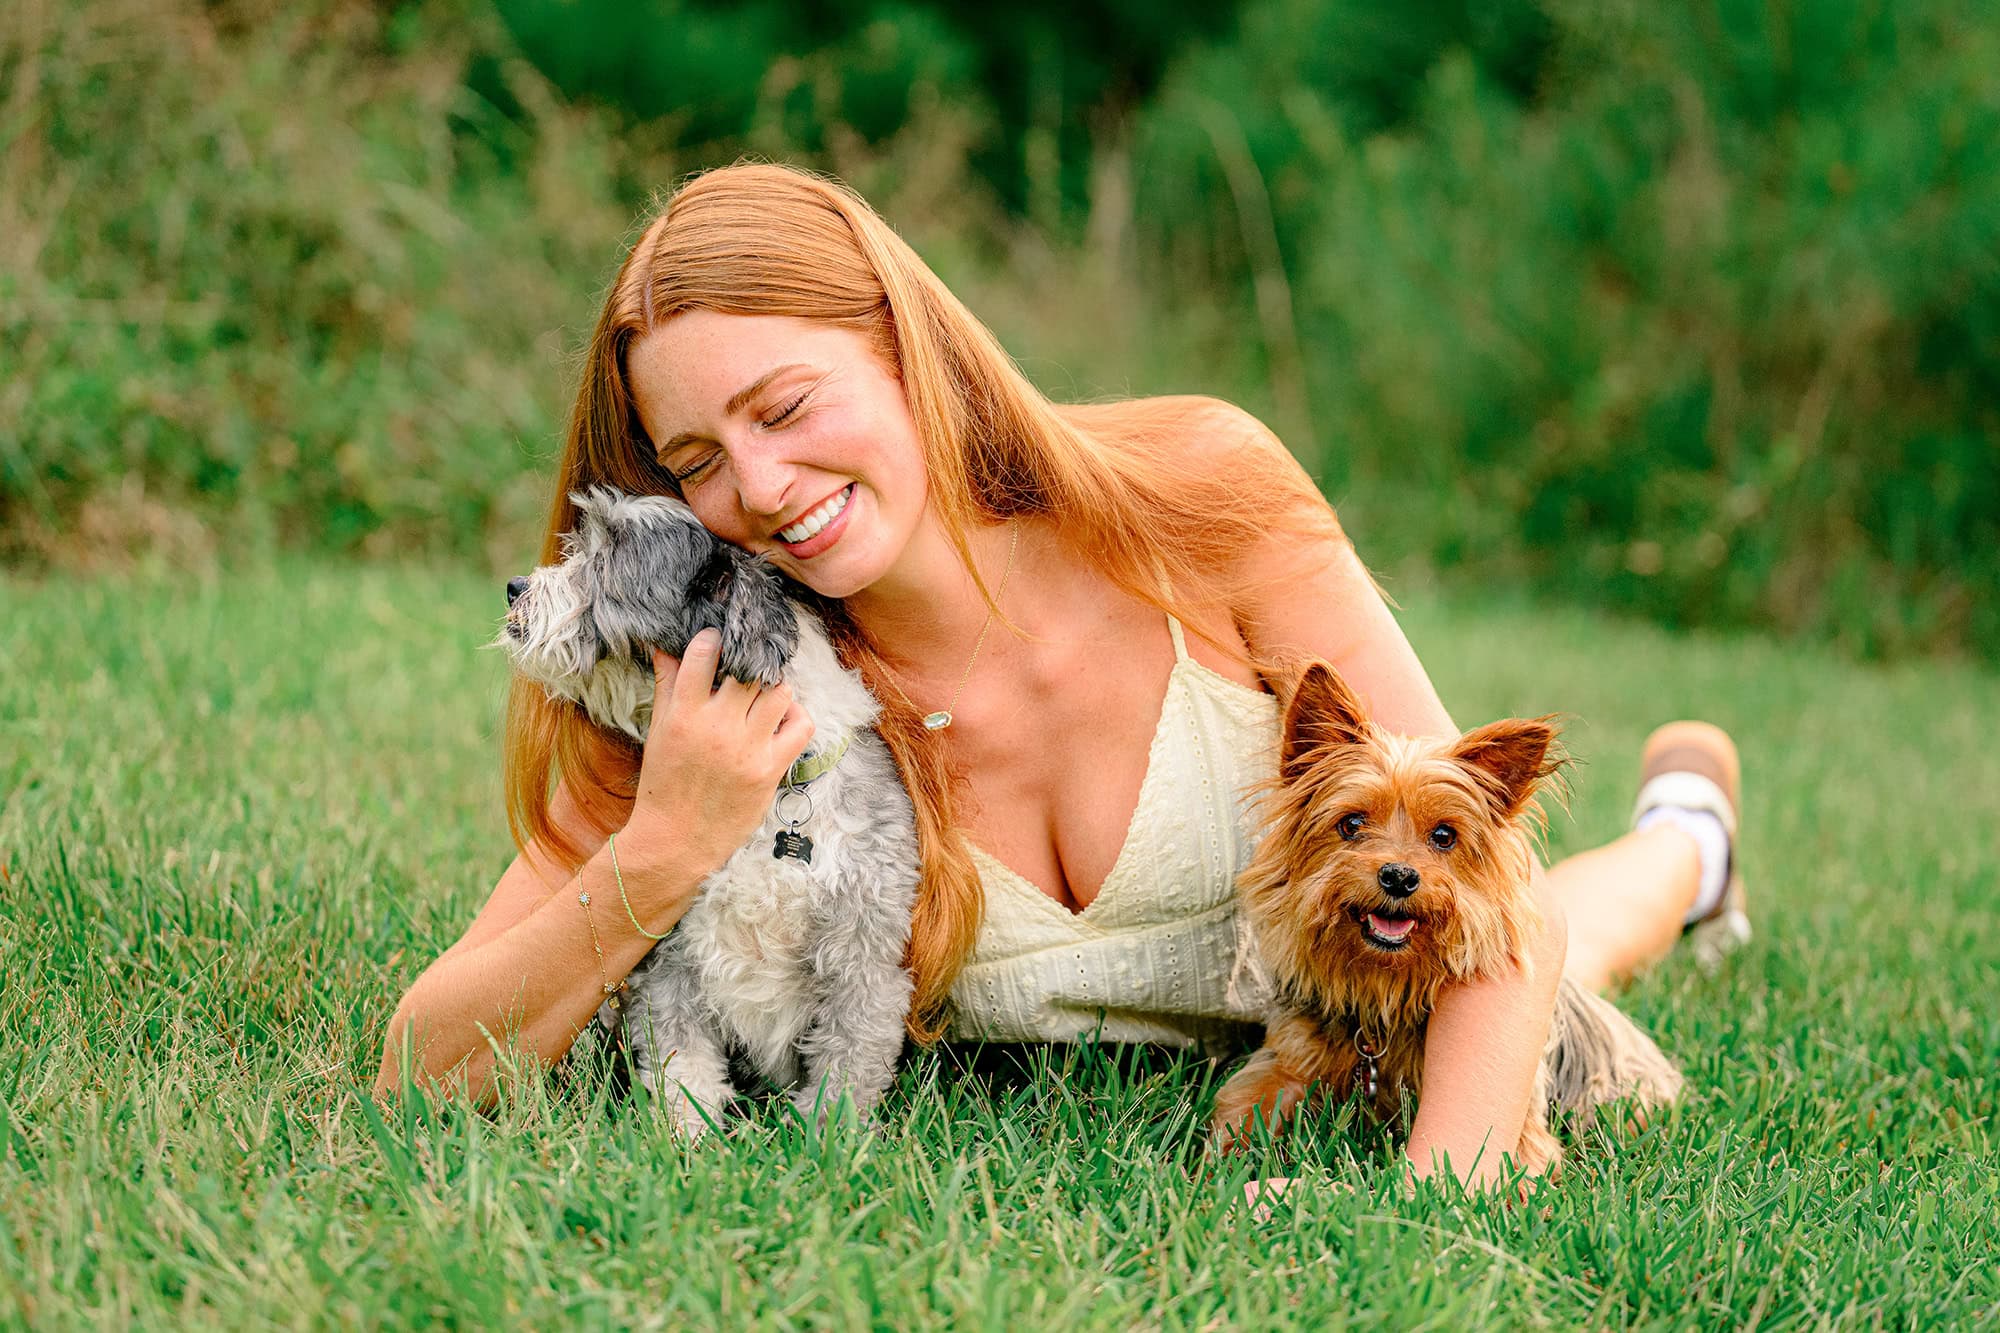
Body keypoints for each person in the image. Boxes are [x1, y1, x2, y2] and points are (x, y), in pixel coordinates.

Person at [374, 163, 1748, 1191]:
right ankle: (1688, 837)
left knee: (1552, 920)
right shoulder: (743, 671)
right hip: (1323, 981)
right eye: (694, 460)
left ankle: (1687, 845)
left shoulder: (1203, 488)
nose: (761, 488)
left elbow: (1498, 905)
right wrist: (665, 843)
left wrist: (1447, 1190)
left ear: (904, 341)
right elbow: (417, 1074)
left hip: (1351, 979)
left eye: (786, 408)